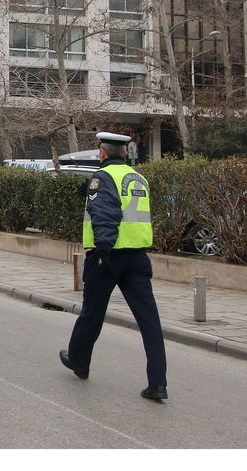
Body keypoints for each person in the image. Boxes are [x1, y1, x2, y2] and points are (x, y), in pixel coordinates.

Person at [59, 131, 168, 401]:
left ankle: (78, 360)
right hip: (138, 257)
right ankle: (158, 383)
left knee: (92, 313)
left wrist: (103, 251)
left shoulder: (103, 177)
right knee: (150, 322)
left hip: (109, 256)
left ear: (103, 153)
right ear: (126, 153)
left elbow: (106, 213)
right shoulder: (139, 177)